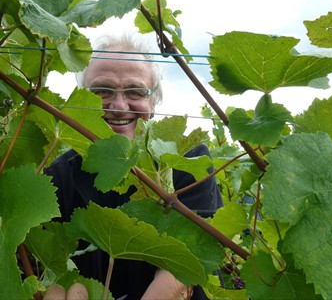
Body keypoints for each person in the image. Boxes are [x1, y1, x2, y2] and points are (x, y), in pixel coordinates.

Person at [44, 32, 223, 300]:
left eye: (135, 91)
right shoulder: (59, 176)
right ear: (84, 99)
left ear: (153, 102)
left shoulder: (188, 160)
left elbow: (190, 263)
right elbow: (48, 267)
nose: (118, 105)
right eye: (101, 90)